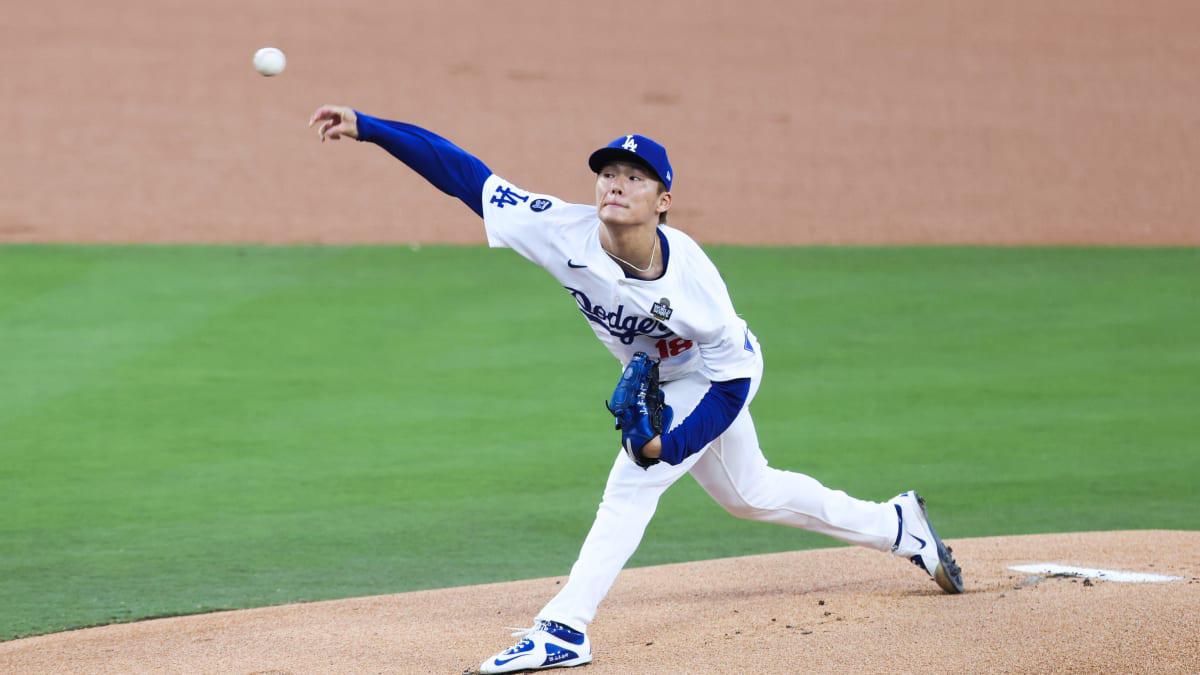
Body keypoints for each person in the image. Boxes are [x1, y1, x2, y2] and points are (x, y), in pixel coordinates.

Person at [308, 105, 964, 673]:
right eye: (608, 173)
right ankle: (897, 525)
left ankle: (564, 628)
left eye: (635, 177)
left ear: (662, 200)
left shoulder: (695, 285)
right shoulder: (558, 229)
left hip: (715, 375)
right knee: (750, 494)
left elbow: (733, 382)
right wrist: (370, 127)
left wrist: (669, 446)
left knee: (633, 480)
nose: (616, 184)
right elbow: (464, 174)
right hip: (664, 377)